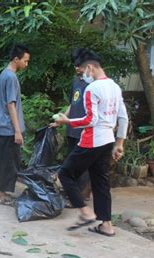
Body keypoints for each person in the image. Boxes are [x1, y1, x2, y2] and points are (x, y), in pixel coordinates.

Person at [53, 49, 128, 237]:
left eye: (83, 71)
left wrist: (67, 122)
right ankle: (107, 225)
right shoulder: (115, 87)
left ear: (90, 68)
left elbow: (90, 120)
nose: (83, 75)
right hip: (108, 140)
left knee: (65, 174)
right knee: (101, 183)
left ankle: (85, 213)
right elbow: (123, 117)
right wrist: (119, 144)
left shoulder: (92, 88)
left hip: (92, 139)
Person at [0, 44, 30, 204]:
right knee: (9, 163)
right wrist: (17, 130)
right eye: (25, 61)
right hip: (9, 128)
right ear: (16, 59)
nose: (26, 64)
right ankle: (1, 194)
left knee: (2, 160)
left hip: (3, 126)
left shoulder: (4, 75)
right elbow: (11, 104)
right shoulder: (11, 77)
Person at [55, 48, 92, 201]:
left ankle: (82, 194)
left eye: (79, 65)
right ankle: (74, 191)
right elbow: (72, 104)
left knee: (83, 165)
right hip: (72, 130)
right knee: (72, 162)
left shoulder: (93, 84)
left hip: (84, 131)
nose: (76, 68)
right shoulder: (76, 81)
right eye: (75, 65)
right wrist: (61, 119)